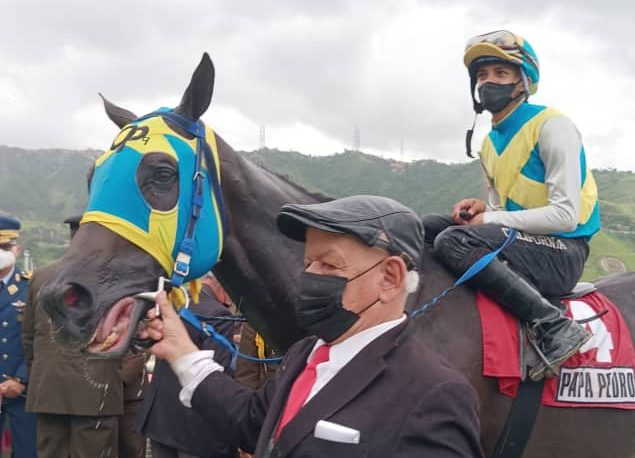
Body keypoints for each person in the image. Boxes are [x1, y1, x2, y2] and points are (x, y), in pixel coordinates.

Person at [140, 195, 483, 457]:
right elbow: (253, 422)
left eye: (329, 265)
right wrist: (180, 349)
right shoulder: (304, 354)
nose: (309, 277)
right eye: (308, 264)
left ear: (390, 278)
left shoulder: (434, 394)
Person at [424, 30, 601, 381]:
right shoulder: (489, 144)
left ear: (522, 83)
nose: (489, 83)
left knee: (453, 241)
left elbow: (565, 216)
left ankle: (552, 325)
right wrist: (480, 209)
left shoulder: (552, 126)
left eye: (501, 75)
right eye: (482, 76)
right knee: (428, 226)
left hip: (563, 251)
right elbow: (499, 210)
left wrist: (488, 218)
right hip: (523, 242)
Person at [24, 216, 127, 458]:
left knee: (50, 452)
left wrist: (39, 373)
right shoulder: (116, 279)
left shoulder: (40, 276)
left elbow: (28, 337)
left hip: (48, 388)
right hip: (97, 389)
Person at [136, 272, 237, 458]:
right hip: (196, 428)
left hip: (161, 418)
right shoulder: (218, 313)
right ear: (222, 288)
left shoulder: (175, 305)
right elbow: (217, 374)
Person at [0, 214, 36, 458]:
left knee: (27, 453)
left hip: (21, 392)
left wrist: (21, 379)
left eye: (3, 247)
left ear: (17, 248)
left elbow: (43, 339)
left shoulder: (31, 287)